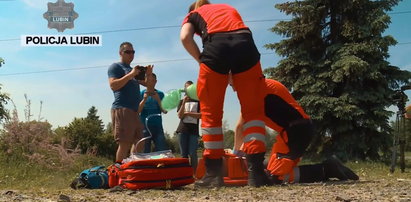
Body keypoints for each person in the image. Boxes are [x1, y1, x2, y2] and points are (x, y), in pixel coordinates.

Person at [180, 0, 268, 187]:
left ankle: (213, 174)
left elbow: (185, 38)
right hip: (246, 45)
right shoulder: (228, 8)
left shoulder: (194, 13)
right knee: (253, 112)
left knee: (211, 114)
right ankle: (257, 174)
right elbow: (234, 38)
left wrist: (202, 61)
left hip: (215, 46)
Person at [233, 78, 359, 184]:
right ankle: (327, 168)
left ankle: (327, 169)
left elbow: (240, 127)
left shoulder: (254, 92)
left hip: (295, 132)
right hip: (293, 132)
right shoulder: (264, 85)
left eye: (232, 81)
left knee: (275, 178)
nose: (232, 87)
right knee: (269, 169)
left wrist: (235, 153)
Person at [108, 41, 152, 163]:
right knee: (125, 143)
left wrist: (148, 75)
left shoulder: (133, 70)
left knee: (139, 142)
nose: (131, 54)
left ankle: (133, 170)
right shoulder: (116, 67)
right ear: (120, 53)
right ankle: (119, 174)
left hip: (135, 111)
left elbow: (149, 86)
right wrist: (131, 74)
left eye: (133, 52)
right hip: (122, 108)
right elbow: (113, 85)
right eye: (128, 52)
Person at [138, 73, 169, 153]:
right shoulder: (141, 93)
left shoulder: (160, 94)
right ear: (145, 81)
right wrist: (144, 100)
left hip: (157, 126)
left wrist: (158, 100)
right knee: (145, 152)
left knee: (162, 151)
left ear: (155, 81)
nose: (150, 82)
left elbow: (165, 111)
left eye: (152, 80)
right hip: (144, 126)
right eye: (147, 80)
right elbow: (138, 111)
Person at [176, 81, 201, 174]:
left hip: (194, 131)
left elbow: (202, 115)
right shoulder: (181, 101)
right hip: (182, 130)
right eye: (186, 88)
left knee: (193, 153)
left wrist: (188, 113)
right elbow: (179, 115)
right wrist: (183, 103)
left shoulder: (199, 101)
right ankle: (184, 174)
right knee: (183, 155)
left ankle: (194, 174)